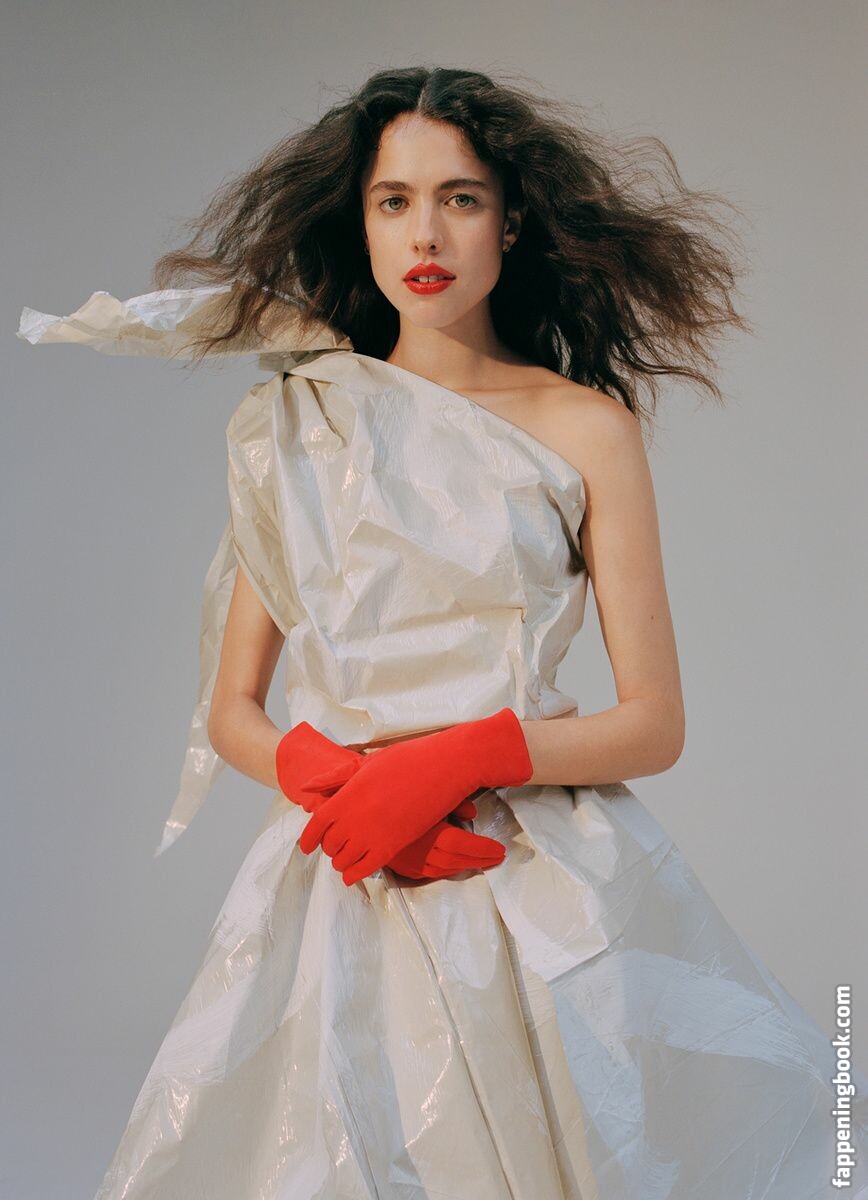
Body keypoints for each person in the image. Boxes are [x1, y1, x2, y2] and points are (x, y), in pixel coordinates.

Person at [18, 65, 868, 1199]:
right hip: (345, 874)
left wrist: (459, 760)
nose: (426, 233)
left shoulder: (586, 427)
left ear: (510, 222)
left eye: (460, 198)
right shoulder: (300, 423)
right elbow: (231, 710)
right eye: (394, 201)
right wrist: (341, 787)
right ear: (361, 223)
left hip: (532, 876)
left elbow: (653, 723)